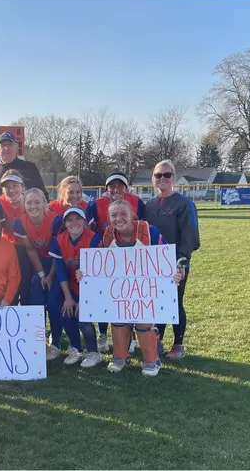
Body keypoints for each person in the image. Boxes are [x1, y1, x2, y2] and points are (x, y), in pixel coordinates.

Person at [87, 199, 182, 377]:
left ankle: (152, 359)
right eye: (114, 215)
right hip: (120, 289)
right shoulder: (108, 234)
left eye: (123, 214)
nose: (119, 218)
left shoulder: (148, 231)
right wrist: (85, 274)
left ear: (132, 215)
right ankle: (120, 357)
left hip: (144, 289)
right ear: (109, 218)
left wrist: (174, 273)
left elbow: (164, 258)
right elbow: (98, 263)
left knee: (144, 321)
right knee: (118, 319)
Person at [145, 160, 200, 360]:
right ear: (153, 178)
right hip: (152, 262)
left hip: (175, 262)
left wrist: (182, 261)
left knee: (174, 302)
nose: (162, 179)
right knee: (156, 302)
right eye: (158, 175)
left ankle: (178, 344)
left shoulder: (184, 203)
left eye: (167, 175)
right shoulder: (149, 205)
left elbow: (190, 234)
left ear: (173, 178)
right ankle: (157, 339)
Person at [86, 171, 145, 353]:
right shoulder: (96, 205)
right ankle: (103, 334)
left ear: (126, 188)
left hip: (132, 257)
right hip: (106, 257)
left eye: (120, 186)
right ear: (106, 189)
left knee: (129, 298)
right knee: (107, 298)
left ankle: (131, 336)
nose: (116, 189)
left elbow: (143, 227)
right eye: (112, 186)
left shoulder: (137, 202)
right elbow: (89, 229)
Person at [49, 207, 103, 368]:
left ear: (85, 222)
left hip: (90, 285)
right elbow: (60, 270)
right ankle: (76, 348)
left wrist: (84, 299)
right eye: (69, 219)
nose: (74, 223)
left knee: (83, 317)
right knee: (66, 314)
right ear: (64, 223)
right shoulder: (59, 239)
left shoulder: (93, 238)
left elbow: (96, 270)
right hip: (71, 285)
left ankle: (94, 352)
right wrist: (68, 297)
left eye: (78, 218)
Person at [13, 188, 63, 360]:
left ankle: (56, 342)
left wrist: (50, 276)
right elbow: (30, 249)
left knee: (54, 302)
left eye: (37, 202)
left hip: (57, 263)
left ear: (44, 203)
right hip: (39, 264)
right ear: (24, 205)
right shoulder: (21, 222)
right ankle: (37, 341)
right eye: (29, 202)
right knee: (37, 301)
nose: (33, 206)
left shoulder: (56, 220)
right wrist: (42, 275)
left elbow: (59, 252)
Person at [0, 170, 32, 305]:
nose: (11, 190)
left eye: (15, 185)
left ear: (22, 186)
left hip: (28, 249)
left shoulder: (30, 201)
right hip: (8, 250)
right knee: (9, 289)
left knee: (26, 288)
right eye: (7, 186)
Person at [0, 131, 49, 201]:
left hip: (25, 210)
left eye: (9, 145)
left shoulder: (29, 167)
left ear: (16, 147)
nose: (6, 148)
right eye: (3, 145)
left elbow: (42, 194)